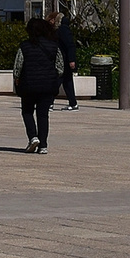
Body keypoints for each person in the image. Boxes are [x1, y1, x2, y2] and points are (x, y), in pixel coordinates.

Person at [13, 17, 64, 154]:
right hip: (48, 86)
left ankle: (33, 137)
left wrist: (17, 80)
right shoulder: (54, 46)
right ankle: (43, 145)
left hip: (29, 85)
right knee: (43, 115)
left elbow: (18, 66)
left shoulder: (24, 46)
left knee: (27, 112)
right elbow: (60, 68)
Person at [52, 9, 80, 110]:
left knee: (57, 81)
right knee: (67, 82)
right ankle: (73, 103)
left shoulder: (62, 30)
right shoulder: (64, 29)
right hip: (65, 60)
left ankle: (50, 102)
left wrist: (71, 60)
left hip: (63, 60)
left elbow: (70, 45)